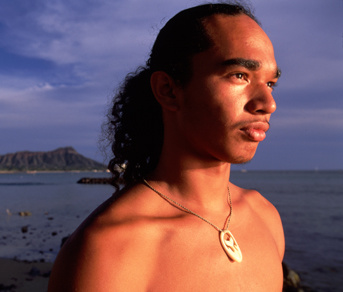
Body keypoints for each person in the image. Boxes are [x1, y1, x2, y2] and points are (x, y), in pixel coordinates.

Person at [48, 3, 285, 291]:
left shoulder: (266, 216)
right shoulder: (109, 248)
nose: (267, 104)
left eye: (270, 82)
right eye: (239, 75)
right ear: (168, 90)